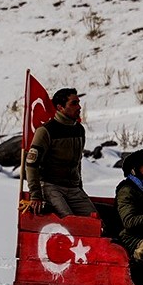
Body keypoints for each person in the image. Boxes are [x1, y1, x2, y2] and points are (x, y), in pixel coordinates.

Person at [25, 88, 96, 218]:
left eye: (78, 102)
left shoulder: (79, 129)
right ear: (60, 107)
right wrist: (35, 195)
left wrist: (79, 187)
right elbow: (31, 164)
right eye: (74, 103)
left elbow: (77, 162)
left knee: (95, 221)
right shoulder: (46, 131)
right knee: (69, 221)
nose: (79, 107)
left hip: (74, 189)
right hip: (51, 187)